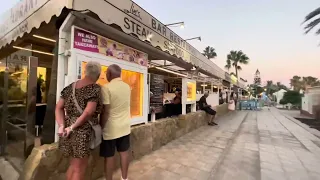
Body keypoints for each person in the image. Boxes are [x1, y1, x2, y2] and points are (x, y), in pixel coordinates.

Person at [55, 61, 102, 180]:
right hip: (82, 132)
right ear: (97, 75)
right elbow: (88, 112)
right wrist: (73, 127)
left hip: (67, 131)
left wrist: (62, 126)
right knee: (80, 168)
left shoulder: (69, 88)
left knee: (73, 165)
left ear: (85, 72)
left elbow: (58, 108)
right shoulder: (94, 88)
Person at [100, 64, 131, 180]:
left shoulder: (106, 88)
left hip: (111, 128)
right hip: (125, 126)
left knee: (109, 156)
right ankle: (124, 178)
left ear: (109, 74)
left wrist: (101, 126)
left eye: (106, 73)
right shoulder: (127, 87)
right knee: (124, 153)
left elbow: (106, 111)